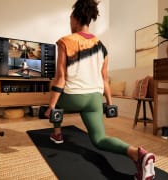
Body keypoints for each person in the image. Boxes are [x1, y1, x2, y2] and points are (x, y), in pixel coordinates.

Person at [45, 0, 155, 179]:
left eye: (70, 19)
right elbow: (104, 79)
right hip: (95, 99)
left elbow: (61, 77)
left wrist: (51, 107)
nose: (69, 22)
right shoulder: (102, 46)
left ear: (75, 18)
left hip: (72, 98)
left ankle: (57, 134)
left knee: (55, 94)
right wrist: (110, 104)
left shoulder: (65, 41)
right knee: (99, 139)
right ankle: (137, 154)